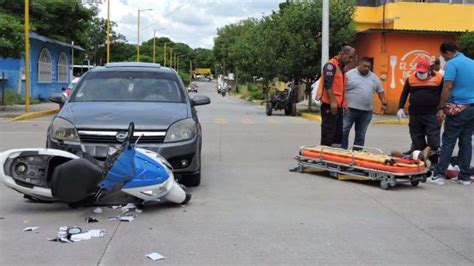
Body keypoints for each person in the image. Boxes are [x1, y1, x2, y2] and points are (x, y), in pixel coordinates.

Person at [428, 42, 474, 186]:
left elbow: (448, 86)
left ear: (447, 52)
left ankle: (439, 175)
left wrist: (441, 107)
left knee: (448, 140)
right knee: (466, 141)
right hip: (472, 108)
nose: (444, 59)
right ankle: (465, 177)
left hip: (458, 108)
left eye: (443, 56)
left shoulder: (452, 64)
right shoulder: (472, 62)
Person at [397, 59, 443, 165]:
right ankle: (421, 161)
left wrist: (442, 108)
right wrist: (400, 107)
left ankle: (434, 162)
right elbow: (404, 93)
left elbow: (444, 93)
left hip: (432, 114)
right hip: (415, 114)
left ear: (429, 69)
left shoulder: (439, 78)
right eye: (419, 71)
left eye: (423, 72)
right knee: (416, 138)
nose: (421, 74)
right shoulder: (411, 79)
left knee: (433, 140)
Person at [341, 57, 386, 150]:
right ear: (359, 64)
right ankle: (342, 152)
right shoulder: (349, 75)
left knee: (361, 134)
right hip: (349, 109)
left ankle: (357, 154)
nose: (366, 68)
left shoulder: (374, 77)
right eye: (364, 66)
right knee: (344, 130)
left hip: (366, 111)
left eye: (368, 67)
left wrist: (384, 103)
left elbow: (380, 91)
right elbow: (341, 89)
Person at [316, 45, 355, 147]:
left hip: (338, 107)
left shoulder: (341, 68)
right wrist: (333, 102)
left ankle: (334, 158)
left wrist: (344, 104)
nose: (351, 60)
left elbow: (341, 89)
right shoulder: (331, 66)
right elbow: (328, 84)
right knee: (328, 134)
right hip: (330, 106)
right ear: (343, 54)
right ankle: (325, 158)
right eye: (350, 57)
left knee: (338, 136)